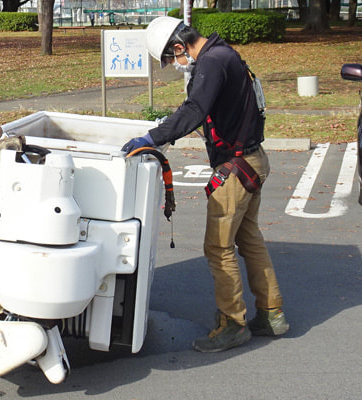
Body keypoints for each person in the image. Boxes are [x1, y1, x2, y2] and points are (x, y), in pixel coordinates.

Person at [122, 16, 289, 352]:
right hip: (253, 160)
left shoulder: (211, 62)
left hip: (235, 168)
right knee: (249, 238)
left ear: (180, 46)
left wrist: (152, 137)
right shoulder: (224, 53)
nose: (174, 65)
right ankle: (272, 314)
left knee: (217, 247)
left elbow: (195, 108)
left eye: (171, 59)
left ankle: (233, 324)